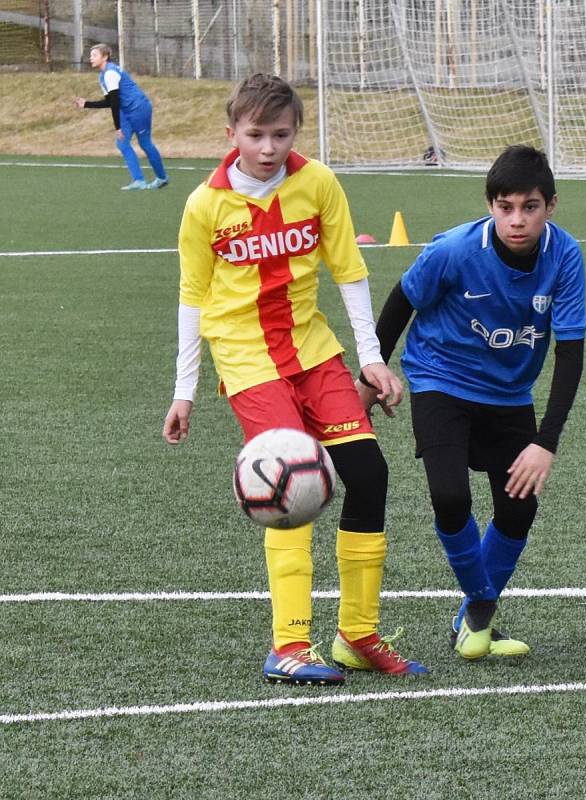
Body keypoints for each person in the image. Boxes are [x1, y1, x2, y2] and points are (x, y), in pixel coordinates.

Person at [162, 73, 428, 686]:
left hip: (314, 352)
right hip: (247, 360)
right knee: (288, 487)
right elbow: (191, 298)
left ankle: (356, 636)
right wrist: (185, 390)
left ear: (295, 133)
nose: (267, 148)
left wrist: (370, 357)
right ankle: (289, 644)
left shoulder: (318, 184)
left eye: (280, 134)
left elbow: (350, 270)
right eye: (255, 135)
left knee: (369, 473)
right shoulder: (206, 204)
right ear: (231, 134)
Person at [359, 145, 586, 661]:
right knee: (450, 497)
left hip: (509, 392)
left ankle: (471, 619)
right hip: (440, 377)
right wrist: (369, 376)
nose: (517, 220)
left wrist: (544, 443)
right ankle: (483, 605)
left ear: (551, 205)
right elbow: (401, 302)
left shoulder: (566, 256)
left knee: (519, 508)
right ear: (490, 206)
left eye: (530, 207)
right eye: (505, 207)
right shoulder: (455, 250)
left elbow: (571, 355)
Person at [75, 43, 168, 191]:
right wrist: (86, 104)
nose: (90, 58)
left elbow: (115, 102)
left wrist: (117, 127)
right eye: (90, 55)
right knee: (122, 143)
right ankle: (139, 181)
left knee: (145, 144)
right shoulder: (102, 75)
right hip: (126, 111)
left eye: (94, 55)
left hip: (139, 108)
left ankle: (162, 178)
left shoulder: (110, 73)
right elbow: (109, 101)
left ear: (105, 57)